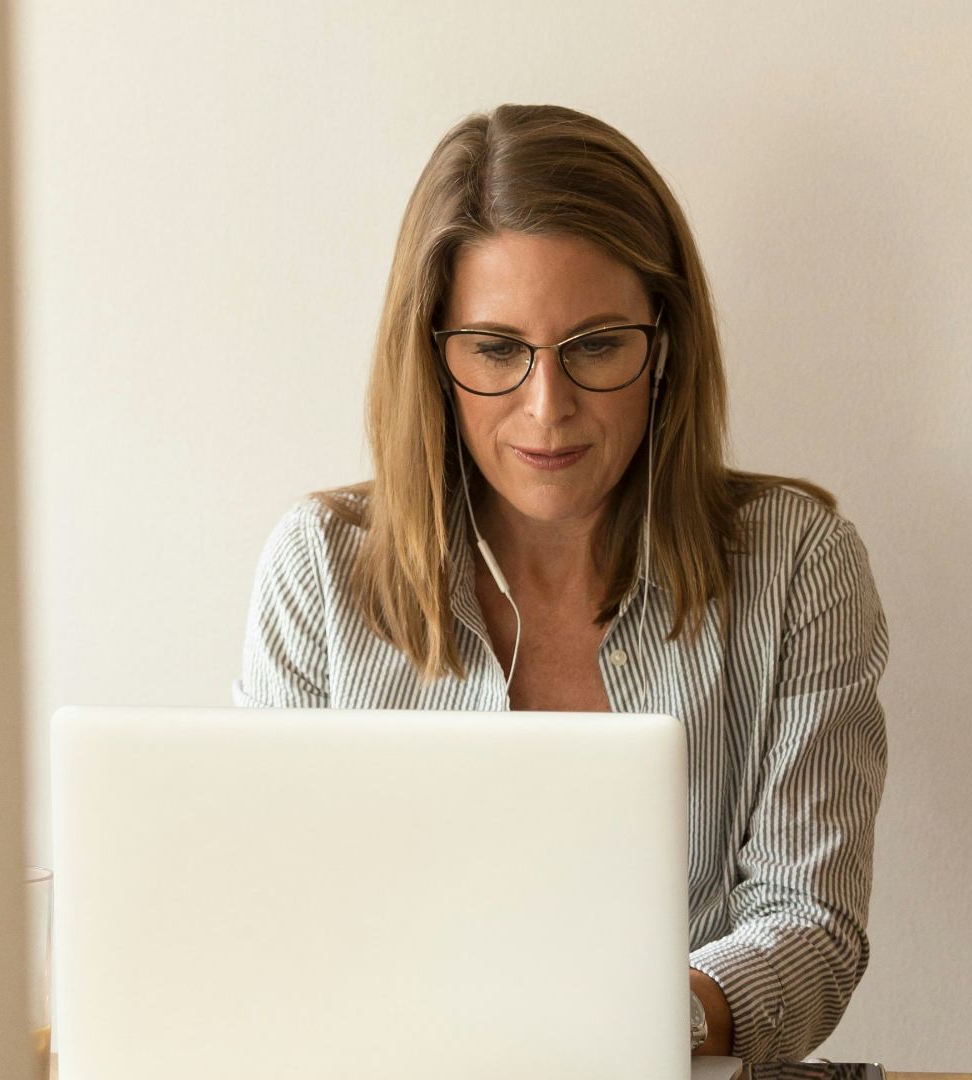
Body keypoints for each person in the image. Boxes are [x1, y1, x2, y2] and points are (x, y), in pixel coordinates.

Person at [230, 103, 889, 1065]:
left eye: (595, 345)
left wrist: (642, 1020)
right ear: (433, 357)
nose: (548, 409)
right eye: (497, 351)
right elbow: (267, 915)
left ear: (663, 342)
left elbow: (812, 925)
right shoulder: (320, 570)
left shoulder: (796, 564)